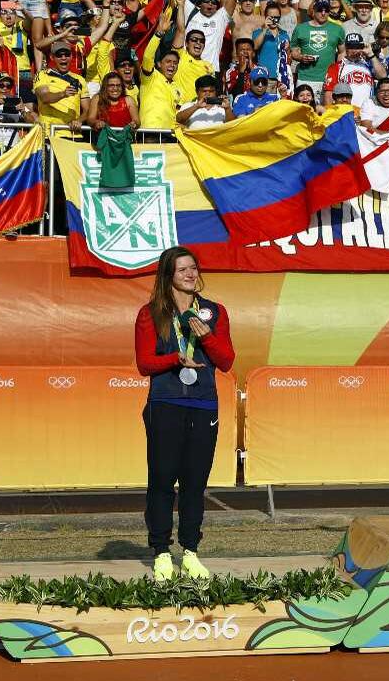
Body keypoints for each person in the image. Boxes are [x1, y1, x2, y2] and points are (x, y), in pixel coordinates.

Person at [133, 246, 235, 581]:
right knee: (162, 480)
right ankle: (161, 551)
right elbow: (145, 363)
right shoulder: (151, 314)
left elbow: (226, 361)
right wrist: (175, 359)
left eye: (193, 268)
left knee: (195, 483)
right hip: (165, 404)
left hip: (203, 405)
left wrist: (208, 339)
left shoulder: (214, 312)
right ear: (168, 276)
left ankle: (190, 551)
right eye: (182, 270)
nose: (191, 274)